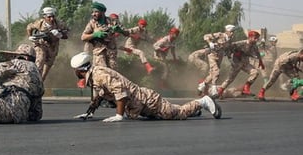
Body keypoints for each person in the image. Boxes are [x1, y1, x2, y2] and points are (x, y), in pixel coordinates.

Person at [70, 52, 222, 122]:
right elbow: (101, 94)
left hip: (147, 101)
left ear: (80, 70)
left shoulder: (99, 74)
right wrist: (89, 113)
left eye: (75, 71)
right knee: (172, 111)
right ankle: (194, 110)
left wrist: (118, 116)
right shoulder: (95, 74)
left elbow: (120, 92)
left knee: (178, 114)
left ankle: (203, 101)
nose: (75, 73)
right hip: (141, 104)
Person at [81, 2, 129, 70]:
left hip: (111, 53)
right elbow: (83, 37)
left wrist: (120, 30)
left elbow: (127, 33)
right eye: (92, 12)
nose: (93, 14)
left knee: (113, 74)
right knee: (101, 73)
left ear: (102, 12)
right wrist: (95, 34)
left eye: (96, 12)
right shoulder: (92, 23)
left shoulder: (113, 21)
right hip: (99, 53)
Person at [26, 7, 69, 81]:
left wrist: (60, 35)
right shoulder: (39, 23)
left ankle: (41, 82)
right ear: (44, 17)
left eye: (53, 16)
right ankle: (34, 80)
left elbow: (67, 34)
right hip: (41, 45)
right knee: (40, 61)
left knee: (47, 68)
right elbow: (29, 27)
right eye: (49, 17)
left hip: (53, 47)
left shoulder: (59, 24)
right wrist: (30, 37)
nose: (51, 19)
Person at [218, 30, 264, 98]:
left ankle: (246, 88)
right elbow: (229, 47)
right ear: (250, 37)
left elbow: (257, 53)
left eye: (257, 38)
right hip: (237, 63)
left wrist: (260, 61)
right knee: (230, 79)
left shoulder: (254, 45)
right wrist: (233, 53)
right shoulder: (241, 43)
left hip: (245, 63)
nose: (256, 40)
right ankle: (220, 91)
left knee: (255, 72)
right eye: (255, 38)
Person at [201, 24, 236, 98]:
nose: (233, 33)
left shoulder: (230, 40)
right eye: (231, 31)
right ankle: (214, 90)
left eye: (233, 32)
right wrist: (210, 43)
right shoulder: (220, 35)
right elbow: (205, 36)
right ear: (227, 31)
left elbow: (227, 51)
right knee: (216, 72)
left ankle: (202, 85)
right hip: (212, 56)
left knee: (211, 75)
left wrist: (231, 60)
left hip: (219, 57)